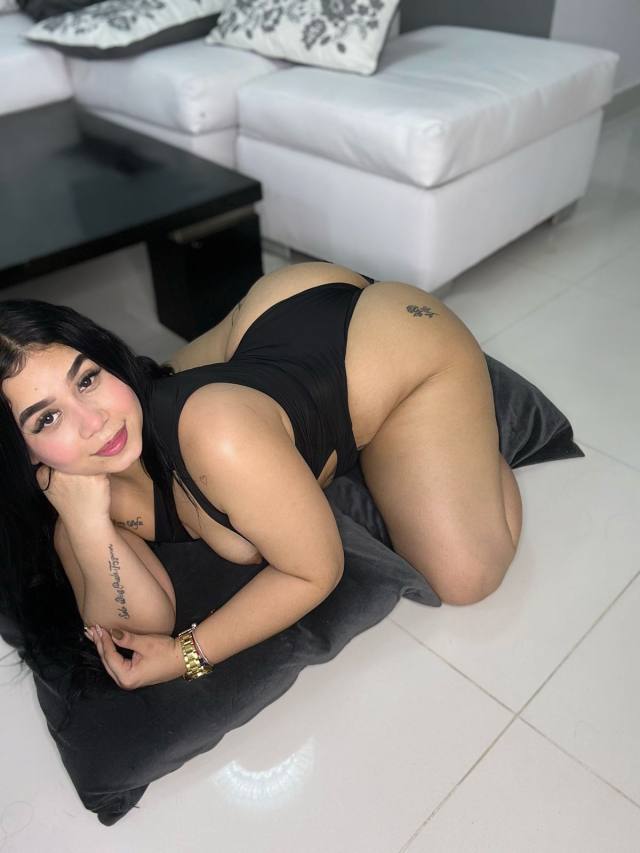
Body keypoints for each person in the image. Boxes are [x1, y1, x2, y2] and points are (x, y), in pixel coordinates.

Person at [0, 261, 522, 689]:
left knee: (465, 580)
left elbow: (315, 571)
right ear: (20, 453)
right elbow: (139, 627)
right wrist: (88, 527)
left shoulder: (218, 438)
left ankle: (467, 413)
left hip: (396, 337)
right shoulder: (69, 493)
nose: (95, 422)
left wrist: (187, 655)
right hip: (268, 348)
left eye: (88, 379)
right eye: (47, 419)